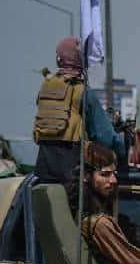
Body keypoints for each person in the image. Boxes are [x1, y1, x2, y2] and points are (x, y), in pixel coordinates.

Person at [33, 37, 127, 186]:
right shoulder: (83, 92)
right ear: (81, 61)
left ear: (59, 60)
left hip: (44, 172)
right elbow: (105, 137)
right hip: (72, 174)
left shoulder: (45, 88)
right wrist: (126, 146)